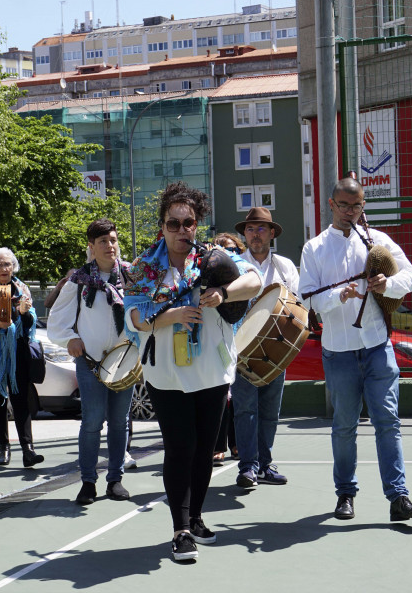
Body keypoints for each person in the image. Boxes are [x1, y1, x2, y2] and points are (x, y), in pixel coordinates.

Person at [125, 182, 262, 561]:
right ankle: (180, 529)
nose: (182, 230)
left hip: (212, 368)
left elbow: (254, 280)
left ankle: (197, 518)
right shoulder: (143, 268)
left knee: (205, 449)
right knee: (180, 448)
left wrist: (224, 293)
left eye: (189, 222)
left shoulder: (214, 257)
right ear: (162, 226)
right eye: (174, 223)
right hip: (166, 371)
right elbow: (135, 317)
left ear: (197, 224)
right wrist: (173, 315)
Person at [298, 175, 412, 522]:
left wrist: (389, 283)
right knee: (344, 425)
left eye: (356, 206)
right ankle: (345, 493)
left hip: (377, 345)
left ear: (363, 205)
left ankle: (399, 497)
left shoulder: (377, 241)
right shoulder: (315, 248)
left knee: (388, 421)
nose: (350, 212)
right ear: (331, 204)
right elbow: (305, 295)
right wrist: (336, 295)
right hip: (338, 349)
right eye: (344, 205)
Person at [49, 218, 134, 504]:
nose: (110, 246)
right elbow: (58, 318)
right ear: (91, 247)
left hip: (124, 363)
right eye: (103, 242)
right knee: (92, 422)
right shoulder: (79, 279)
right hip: (90, 363)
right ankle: (88, 482)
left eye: (113, 240)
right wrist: (69, 339)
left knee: (120, 422)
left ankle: (115, 480)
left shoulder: (132, 277)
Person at [231, 207, 300, 488]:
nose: (255, 234)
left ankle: (265, 464)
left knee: (270, 410)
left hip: (276, 349)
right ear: (244, 234)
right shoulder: (232, 265)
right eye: (250, 229)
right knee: (245, 409)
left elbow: (297, 305)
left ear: (272, 233)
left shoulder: (285, 266)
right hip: (242, 350)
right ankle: (248, 466)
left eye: (261, 229)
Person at [0, 248, 44, 468]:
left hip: (17, 350)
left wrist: (23, 313)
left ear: (14, 267)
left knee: (22, 399)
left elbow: (30, 326)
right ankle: (4, 448)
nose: (4, 269)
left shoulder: (22, 289)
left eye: (8, 264)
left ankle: (28, 449)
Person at [210, 232, 246, 465]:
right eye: (222, 249)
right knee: (221, 396)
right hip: (218, 342)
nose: (228, 253)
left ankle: (236, 444)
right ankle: (217, 446)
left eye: (232, 249)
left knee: (239, 401)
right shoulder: (211, 278)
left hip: (243, 341)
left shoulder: (245, 274)